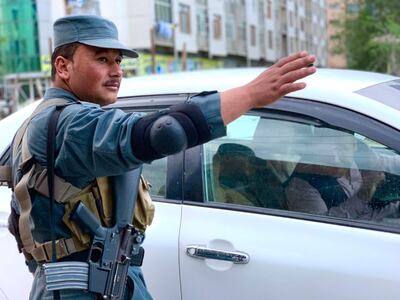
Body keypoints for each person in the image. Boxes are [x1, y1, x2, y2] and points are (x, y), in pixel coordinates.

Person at [5, 14, 316, 299]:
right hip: (83, 289)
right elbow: (163, 133)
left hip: (93, 281)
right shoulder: (71, 123)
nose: (116, 71)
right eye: (102, 59)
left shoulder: (45, 120)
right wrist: (251, 95)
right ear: (63, 66)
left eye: (118, 61)